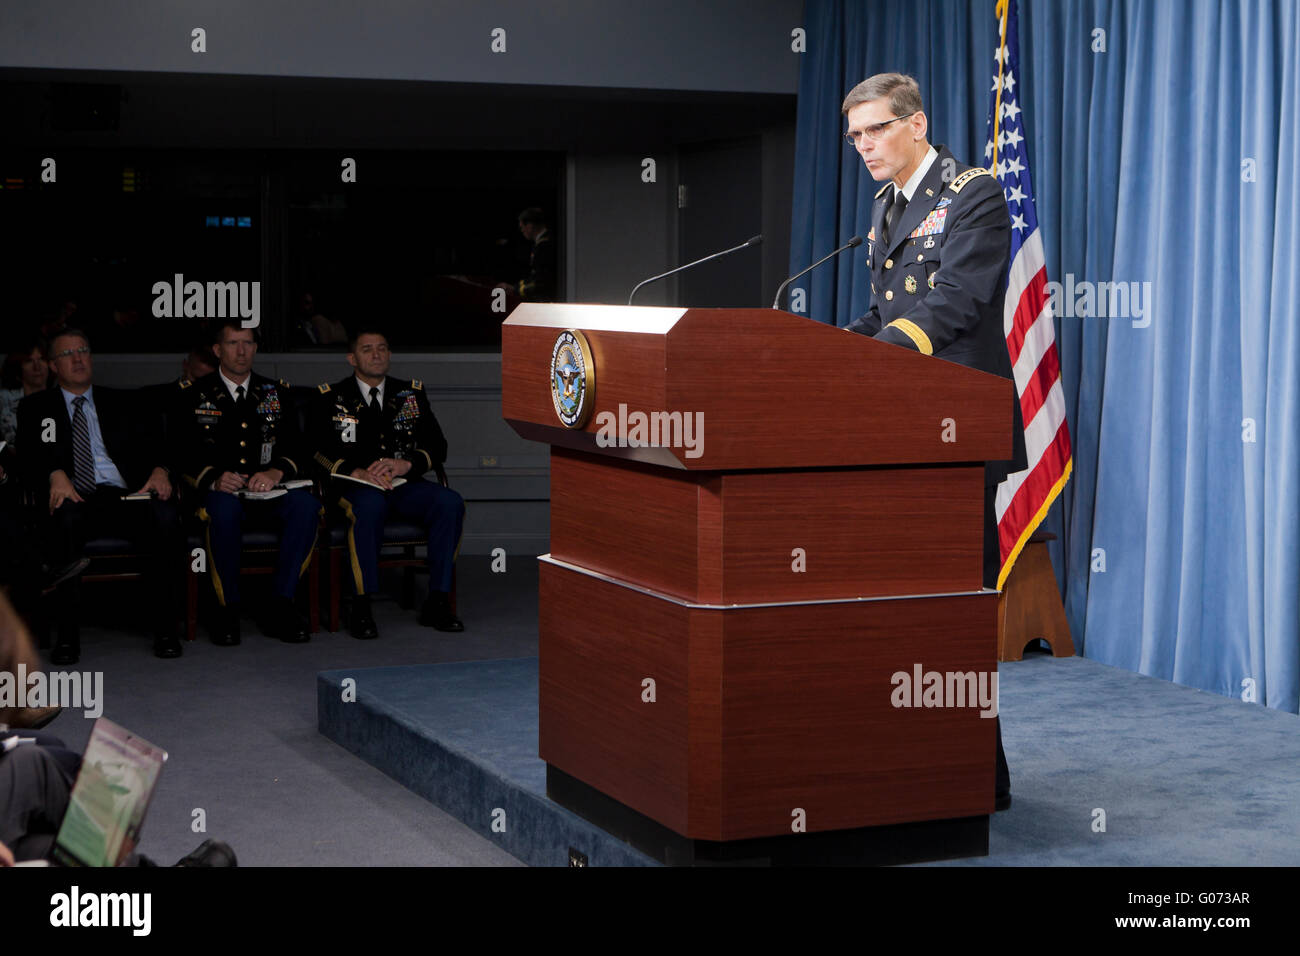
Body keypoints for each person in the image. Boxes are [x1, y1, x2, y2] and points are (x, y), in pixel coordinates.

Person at [841, 73, 1027, 811]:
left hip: (955, 436)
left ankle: (981, 778)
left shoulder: (972, 191)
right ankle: (922, 769)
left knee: (952, 616)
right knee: (901, 612)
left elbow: (955, 299)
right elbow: (882, 310)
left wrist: (877, 355)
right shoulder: (888, 206)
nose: (865, 147)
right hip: (901, 438)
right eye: (856, 137)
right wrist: (818, 352)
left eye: (876, 131)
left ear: (915, 124)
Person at [16, 329, 183, 663]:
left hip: (124, 496)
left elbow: (159, 447)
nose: (78, 359)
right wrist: (54, 473)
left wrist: (161, 470)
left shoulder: (122, 401)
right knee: (63, 520)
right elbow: (27, 460)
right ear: (52, 366)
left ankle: (166, 629)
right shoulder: (36, 408)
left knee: (164, 515)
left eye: (83, 351)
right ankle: (67, 637)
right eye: (68, 354)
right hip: (75, 499)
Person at [308, 328, 464, 637]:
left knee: (449, 502)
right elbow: (314, 451)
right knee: (370, 507)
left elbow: (438, 447)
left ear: (390, 355)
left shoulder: (411, 394)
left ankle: (438, 599)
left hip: (403, 485)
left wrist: (406, 463)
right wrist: (354, 471)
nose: (376, 354)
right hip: (355, 487)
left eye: (382, 348)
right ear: (352, 358)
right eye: (367, 349)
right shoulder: (331, 397)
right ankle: (361, 606)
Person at [176, 320, 320, 645]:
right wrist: (213, 478)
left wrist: (276, 472)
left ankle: (281, 604)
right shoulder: (195, 394)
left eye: (248, 343)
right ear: (217, 350)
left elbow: (299, 448)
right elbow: (181, 452)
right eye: (232, 343)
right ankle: (226, 609)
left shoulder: (275, 392)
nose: (241, 351)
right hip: (222, 493)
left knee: (307, 506)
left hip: (269, 492)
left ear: (255, 348)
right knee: (223, 513)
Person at [512, 208, 557, 302]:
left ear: (530, 225)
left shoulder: (544, 246)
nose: (522, 231)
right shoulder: (543, 243)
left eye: (522, 227)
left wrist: (515, 290)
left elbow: (540, 281)